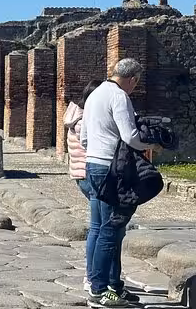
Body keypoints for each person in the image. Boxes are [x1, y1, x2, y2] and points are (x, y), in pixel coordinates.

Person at [81, 59, 156, 307]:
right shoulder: (119, 96)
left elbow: (83, 137)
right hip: (111, 169)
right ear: (132, 79)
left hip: (92, 164)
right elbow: (130, 136)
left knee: (103, 228)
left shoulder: (95, 95)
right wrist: (150, 145)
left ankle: (112, 285)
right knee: (110, 231)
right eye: (136, 82)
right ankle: (100, 290)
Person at [63, 79, 102, 291]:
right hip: (90, 174)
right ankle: (92, 276)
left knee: (101, 227)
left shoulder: (75, 115)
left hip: (80, 174)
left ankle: (99, 275)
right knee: (100, 228)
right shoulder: (83, 120)